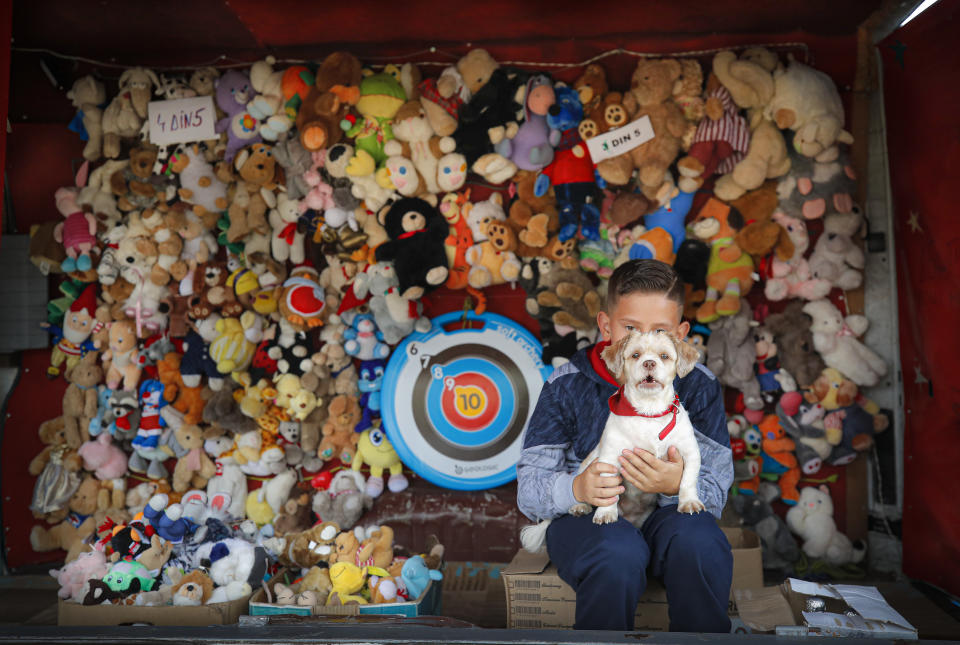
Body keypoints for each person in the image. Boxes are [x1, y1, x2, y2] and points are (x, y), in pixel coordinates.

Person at [517, 259, 734, 632]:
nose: (641, 345)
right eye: (629, 328)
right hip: (588, 522)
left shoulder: (698, 385)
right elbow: (529, 488)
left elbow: (715, 489)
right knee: (616, 552)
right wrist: (576, 487)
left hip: (665, 519)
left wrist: (675, 484)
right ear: (605, 325)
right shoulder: (566, 384)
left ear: (680, 335)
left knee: (700, 541)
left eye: (660, 331)